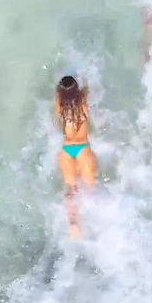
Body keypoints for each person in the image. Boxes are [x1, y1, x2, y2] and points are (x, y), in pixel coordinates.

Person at [55, 75, 97, 238]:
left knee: (70, 189)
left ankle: (73, 224)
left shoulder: (59, 105)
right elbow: (87, 87)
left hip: (66, 150)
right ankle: (95, 222)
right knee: (90, 188)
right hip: (82, 148)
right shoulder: (83, 101)